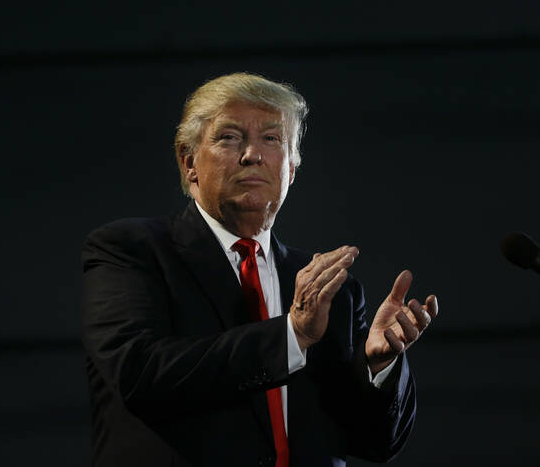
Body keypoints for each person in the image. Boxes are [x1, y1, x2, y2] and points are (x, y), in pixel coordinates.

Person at [81, 73, 438, 467]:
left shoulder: (331, 288)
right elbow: (140, 375)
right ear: (189, 164)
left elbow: (375, 443)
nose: (253, 154)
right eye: (229, 137)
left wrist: (378, 366)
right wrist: (291, 335)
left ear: (291, 169)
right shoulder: (132, 250)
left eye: (272, 139)